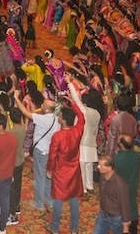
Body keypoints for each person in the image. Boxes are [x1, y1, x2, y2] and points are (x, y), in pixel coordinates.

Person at [46, 80, 85, 234]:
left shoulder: (58, 136)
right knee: (74, 198)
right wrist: (73, 102)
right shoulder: (77, 131)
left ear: (62, 118)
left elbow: (52, 156)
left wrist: (50, 169)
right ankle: (74, 228)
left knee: (58, 199)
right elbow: (82, 117)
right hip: (74, 170)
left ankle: (55, 228)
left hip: (61, 171)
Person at [92, 155, 132, 234]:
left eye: (101, 165)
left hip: (116, 219)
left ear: (109, 168)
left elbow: (125, 204)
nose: (98, 167)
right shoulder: (102, 177)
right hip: (103, 215)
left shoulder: (119, 184)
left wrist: (125, 227)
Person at [114, 134, 140, 234]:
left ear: (121, 144)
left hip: (121, 187)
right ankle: (133, 228)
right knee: (132, 205)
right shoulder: (137, 156)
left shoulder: (118, 158)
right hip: (133, 184)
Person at [7, 108, 25, 224]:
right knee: (18, 184)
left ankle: (12, 213)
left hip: (12, 163)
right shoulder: (23, 128)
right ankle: (17, 206)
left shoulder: (11, 133)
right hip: (21, 160)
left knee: (11, 188)